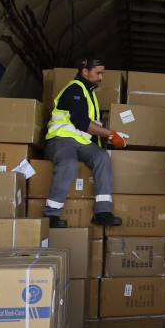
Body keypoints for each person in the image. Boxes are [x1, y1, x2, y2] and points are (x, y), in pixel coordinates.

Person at [43, 56, 124, 229]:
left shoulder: (89, 93)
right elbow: (81, 122)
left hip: (81, 143)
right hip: (60, 139)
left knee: (102, 157)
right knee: (69, 162)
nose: (101, 77)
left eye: (102, 74)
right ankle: (51, 214)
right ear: (85, 71)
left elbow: (91, 127)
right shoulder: (74, 89)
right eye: (98, 73)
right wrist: (110, 134)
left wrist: (110, 137)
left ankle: (102, 212)